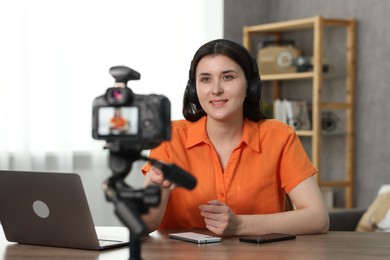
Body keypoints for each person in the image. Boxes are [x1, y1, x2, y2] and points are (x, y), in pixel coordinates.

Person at [141, 39, 329, 237]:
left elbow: (317, 218)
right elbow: (143, 225)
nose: (216, 90)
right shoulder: (170, 138)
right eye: (206, 79)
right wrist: (158, 190)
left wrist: (240, 224)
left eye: (228, 77)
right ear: (193, 89)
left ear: (251, 85)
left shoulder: (279, 137)